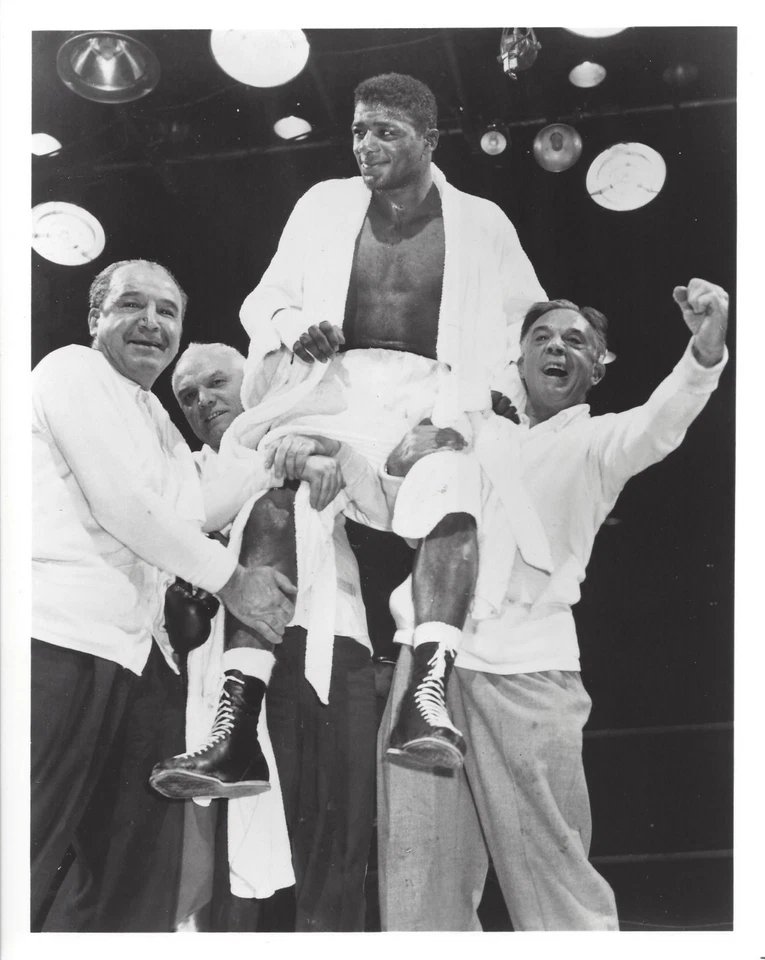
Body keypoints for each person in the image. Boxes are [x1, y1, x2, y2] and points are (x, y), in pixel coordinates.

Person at [376, 278, 730, 931]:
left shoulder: (598, 445)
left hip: (528, 672)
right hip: (427, 667)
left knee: (556, 884)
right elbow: (402, 513)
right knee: (417, 885)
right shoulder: (471, 432)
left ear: (597, 367)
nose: (556, 347)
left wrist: (703, 353)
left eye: (575, 340)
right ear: (518, 359)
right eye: (540, 337)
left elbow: (660, 422)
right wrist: (397, 461)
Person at [233, 72, 548, 771]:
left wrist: (479, 408)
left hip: (429, 397)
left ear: (429, 140)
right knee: (272, 500)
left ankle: (424, 700)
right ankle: (236, 722)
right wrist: (293, 324)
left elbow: (524, 327)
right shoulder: (322, 204)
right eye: (357, 130)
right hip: (334, 390)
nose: (365, 146)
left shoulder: (482, 222)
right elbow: (264, 298)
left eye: (386, 132)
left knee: (455, 483)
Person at [31, 260, 297, 931]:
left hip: (129, 660)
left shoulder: (154, 417)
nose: (152, 322)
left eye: (168, 311)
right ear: (95, 320)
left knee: (129, 878)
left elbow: (193, 505)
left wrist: (287, 440)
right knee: (26, 842)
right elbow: (123, 504)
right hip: (48, 639)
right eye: (132, 305)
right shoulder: (72, 370)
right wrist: (233, 581)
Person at [153, 342, 389, 931]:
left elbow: (388, 508)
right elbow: (177, 525)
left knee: (334, 854)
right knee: (233, 879)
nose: (203, 401)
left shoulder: (308, 434)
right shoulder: (186, 474)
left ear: (255, 383)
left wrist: (328, 451)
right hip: (219, 669)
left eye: (216, 383)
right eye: (187, 396)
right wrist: (277, 466)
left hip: (328, 645)